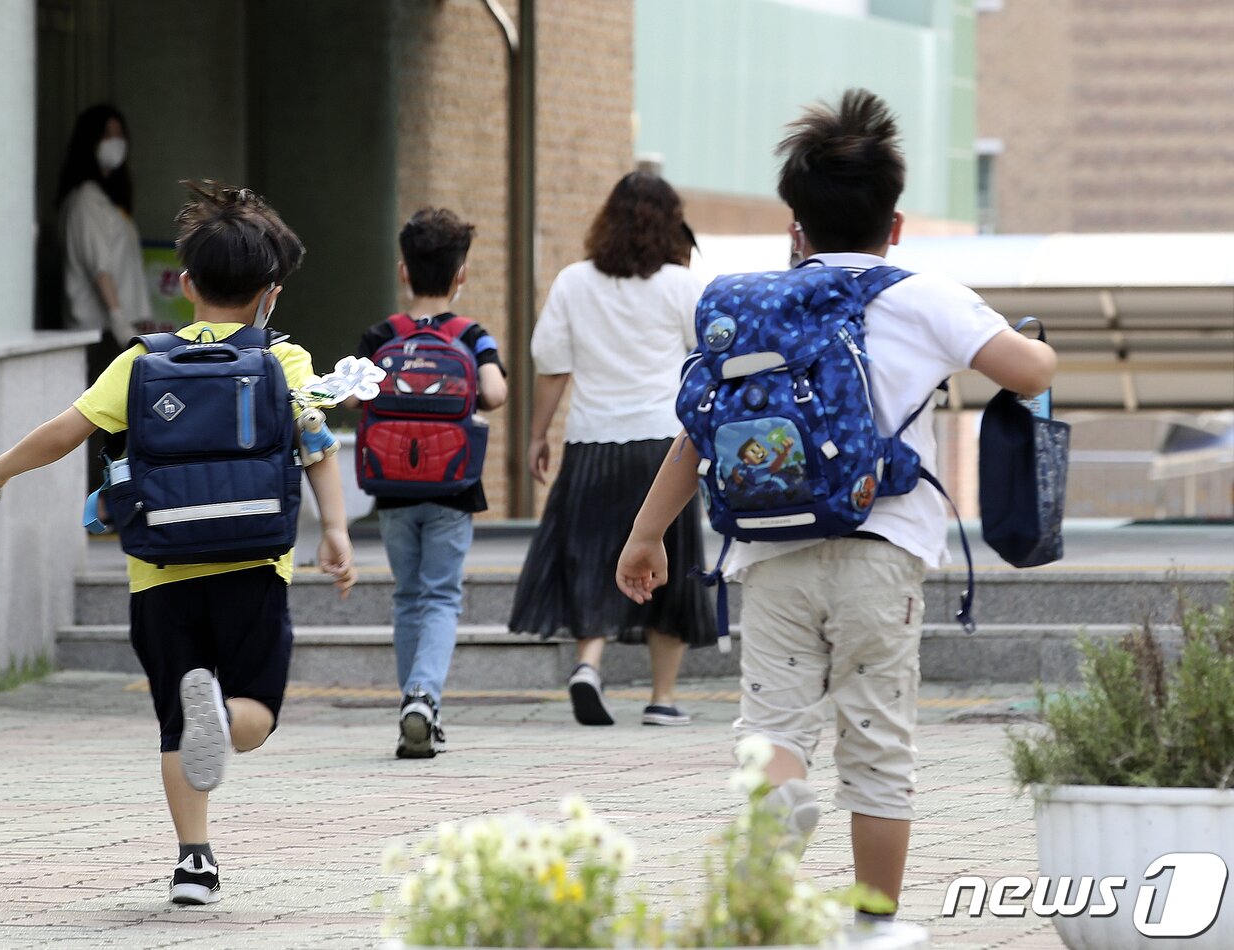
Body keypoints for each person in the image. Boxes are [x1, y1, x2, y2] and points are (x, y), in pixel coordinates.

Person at [615, 90, 1057, 924]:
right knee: (879, 742)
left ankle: (771, 877)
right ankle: (872, 925)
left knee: (774, 729)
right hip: (881, 547)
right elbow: (1029, 374)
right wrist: (1041, 342)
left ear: (796, 226)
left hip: (770, 547)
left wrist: (646, 536)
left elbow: (695, 432)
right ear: (895, 225)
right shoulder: (925, 295)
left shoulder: (750, 307)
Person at [0, 181, 357, 906]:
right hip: (254, 563)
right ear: (269, 292)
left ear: (183, 285)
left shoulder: (142, 361)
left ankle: (194, 861)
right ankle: (223, 711)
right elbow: (318, 444)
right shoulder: (286, 360)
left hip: (160, 570)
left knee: (178, 723)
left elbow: (64, 431)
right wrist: (334, 530)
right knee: (254, 715)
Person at [507, 172, 715, 729]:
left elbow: (552, 365)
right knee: (670, 558)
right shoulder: (681, 285)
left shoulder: (575, 281)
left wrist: (536, 436)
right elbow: (711, 365)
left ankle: (587, 664)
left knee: (592, 553)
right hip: (663, 447)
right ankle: (662, 698)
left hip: (593, 440)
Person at [354, 208, 508, 759]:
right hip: (452, 485)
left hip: (393, 489)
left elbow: (351, 396)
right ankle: (424, 698)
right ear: (460, 274)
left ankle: (409, 706)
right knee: (442, 596)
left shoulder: (381, 336)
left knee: (407, 597)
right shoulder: (472, 335)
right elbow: (493, 393)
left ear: (403, 271)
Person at [57, 104, 152, 467]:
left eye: (120, 134)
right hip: (102, 332)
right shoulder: (85, 201)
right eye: (107, 135)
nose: (117, 143)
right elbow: (101, 271)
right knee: (103, 419)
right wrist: (120, 324)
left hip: (114, 331)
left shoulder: (105, 201)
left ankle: (111, 500)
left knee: (115, 419)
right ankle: (104, 503)